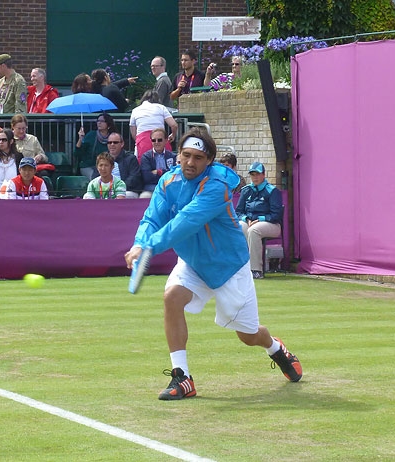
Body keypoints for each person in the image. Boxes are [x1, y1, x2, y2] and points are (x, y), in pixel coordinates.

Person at [124, 127, 302, 401]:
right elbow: (152, 218)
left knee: (248, 336)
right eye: (186, 155)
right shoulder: (168, 182)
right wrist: (139, 243)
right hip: (193, 263)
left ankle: (275, 348)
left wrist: (150, 247)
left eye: (198, 158)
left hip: (228, 267)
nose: (190, 162)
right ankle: (182, 377)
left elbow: (185, 222)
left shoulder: (216, 187)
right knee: (172, 297)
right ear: (178, 155)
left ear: (208, 161)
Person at [235, 162, 283, 279]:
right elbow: (238, 212)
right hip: (250, 222)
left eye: (257, 174)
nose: (255, 177)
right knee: (239, 226)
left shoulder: (272, 191)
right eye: (252, 174)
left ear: (263, 175)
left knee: (254, 230)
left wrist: (259, 219)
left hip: (272, 224)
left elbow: (276, 215)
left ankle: (256, 270)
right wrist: (246, 219)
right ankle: (240, 267)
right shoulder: (246, 190)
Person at [129, 90, 177, 162]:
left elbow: (133, 132)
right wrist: (173, 135)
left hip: (142, 141)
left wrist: (138, 141)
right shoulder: (161, 107)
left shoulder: (135, 110)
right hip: (161, 139)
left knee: (142, 164)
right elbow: (174, 125)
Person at [93, 131, 142, 198]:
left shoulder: (131, 158)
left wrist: (117, 188)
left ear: (122, 144)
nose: (112, 144)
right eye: (109, 142)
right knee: (87, 196)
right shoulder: (102, 158)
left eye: (115, 142)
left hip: (126, 190)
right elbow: (95, 177)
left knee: (124, 196)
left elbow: (134, 178)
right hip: (105, 190)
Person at [75, 112, 115, 179]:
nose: (99, 123)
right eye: (98, 121)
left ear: (108, 124)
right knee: (96, 178)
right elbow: (77, 153)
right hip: (88, 166)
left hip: (106, 166)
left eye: (102, 121)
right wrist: (80, 139)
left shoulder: (113, 137)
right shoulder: (91, 135)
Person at [139, 127, 176, 199]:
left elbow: (174, 175)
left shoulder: (173, 156)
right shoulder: (146, 157)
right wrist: (166, 172)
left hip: (169, 187)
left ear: (166, 140)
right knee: (144, 196)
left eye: (159, 140)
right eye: (153, 140)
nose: (156, 142)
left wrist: (158, 172)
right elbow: (147, 177)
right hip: (151, 188)